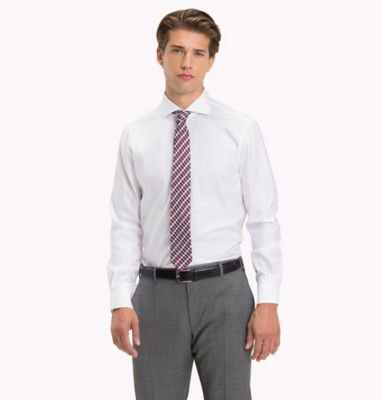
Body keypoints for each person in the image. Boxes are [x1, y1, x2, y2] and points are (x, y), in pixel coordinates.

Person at [106, 8, 283, 400]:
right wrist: (119, 300)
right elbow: (125, 223)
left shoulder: (240, 130)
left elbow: (264, 220)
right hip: (156, 295)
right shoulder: (135, 135)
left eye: (198, 53)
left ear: (211, 61)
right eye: (177, 50)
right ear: (160, 55)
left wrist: (268, 301)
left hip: (225, 294)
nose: (187, 63)